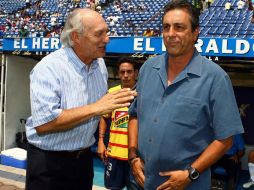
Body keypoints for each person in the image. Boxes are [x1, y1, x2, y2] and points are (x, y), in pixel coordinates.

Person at [128, 0, 244, 189]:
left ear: (195, 32)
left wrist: (191, 173)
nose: (171, 34)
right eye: (166, 27)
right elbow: (134, 115)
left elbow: (225, 138)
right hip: (140, 182)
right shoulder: (147, 68)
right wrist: (132, 157)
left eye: (179, 27)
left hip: (187, 184)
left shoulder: (215, 78)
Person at [25, 8, 136, 190]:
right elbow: (44, 123)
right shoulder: (48, 68)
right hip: (49, 164)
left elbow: (100, 109)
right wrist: (97, 107)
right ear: (76, 37)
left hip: (83, 163)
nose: (106, 39)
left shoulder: (99, 65)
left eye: (107, 32)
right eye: (99, 34)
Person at [97, 57, 138, 190]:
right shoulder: (111, 93)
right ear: (117, 73)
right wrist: (101, 141)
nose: (125, 75)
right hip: (113, 155)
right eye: (122, 72)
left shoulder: (143, 93)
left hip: (135, 157)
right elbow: (104, 117)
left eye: (129, 71)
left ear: (136, 73)